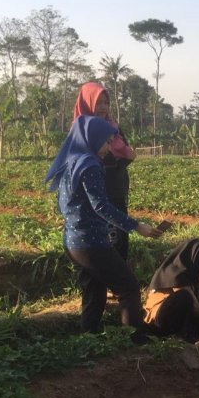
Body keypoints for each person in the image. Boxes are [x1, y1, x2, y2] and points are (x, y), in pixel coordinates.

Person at [45, 115, 161, 334]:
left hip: (73, 242)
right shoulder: (90, 165)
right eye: (107, 142)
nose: (110, 147)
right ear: (94, 138)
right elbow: (102, 207)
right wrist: (136, 225)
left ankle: (88, 340)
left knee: (94, 294)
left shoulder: (72, 161)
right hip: (91, 244)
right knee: (128, 287)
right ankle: (134, 340)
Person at [73, 82, 136, 266]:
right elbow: (92, 160)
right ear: (88, 102)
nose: (103, 107)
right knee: (106, 232)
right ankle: (112, 276)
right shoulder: (82, 130)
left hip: (117, 185)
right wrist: (116, 160)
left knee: (119, 231)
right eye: (98, 102)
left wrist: (121, 161)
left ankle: (119, 273)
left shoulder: (113, 126)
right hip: (98, 189)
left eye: (105, 103)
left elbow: (128, 153)